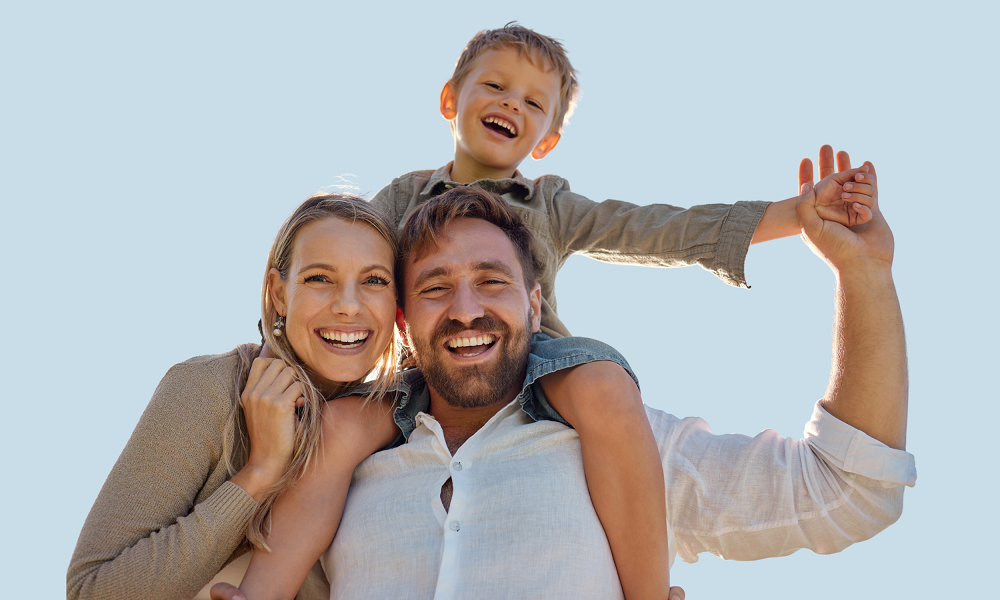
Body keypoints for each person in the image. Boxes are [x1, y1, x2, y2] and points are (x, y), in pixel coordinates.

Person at [215, 177, 913, 599]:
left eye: (492, 281)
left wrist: (865, 276)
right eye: (434, 289)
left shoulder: (624, 447)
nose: (465, 309)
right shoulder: (338, 452)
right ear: (402, 320)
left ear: (537, 307)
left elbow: (847, 493)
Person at [371, 22, 879, 599]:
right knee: (331, 430)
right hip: (417, 369)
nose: (511, 103)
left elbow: (658, 228)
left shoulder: (550, 206)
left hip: (532, 366)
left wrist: (796, 213)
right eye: (494, 86)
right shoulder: (400, 199)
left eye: (533, 103)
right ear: (449, 100)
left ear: (545, 140)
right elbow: (339, 255)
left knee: (606, 387)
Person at [66, 193, 406, 600]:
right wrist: (260, 473)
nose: (349, 306)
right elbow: (92, 590)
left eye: (374, 281)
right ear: (279, 293)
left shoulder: (405, 417)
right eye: (319, 278)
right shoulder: (208, 389)